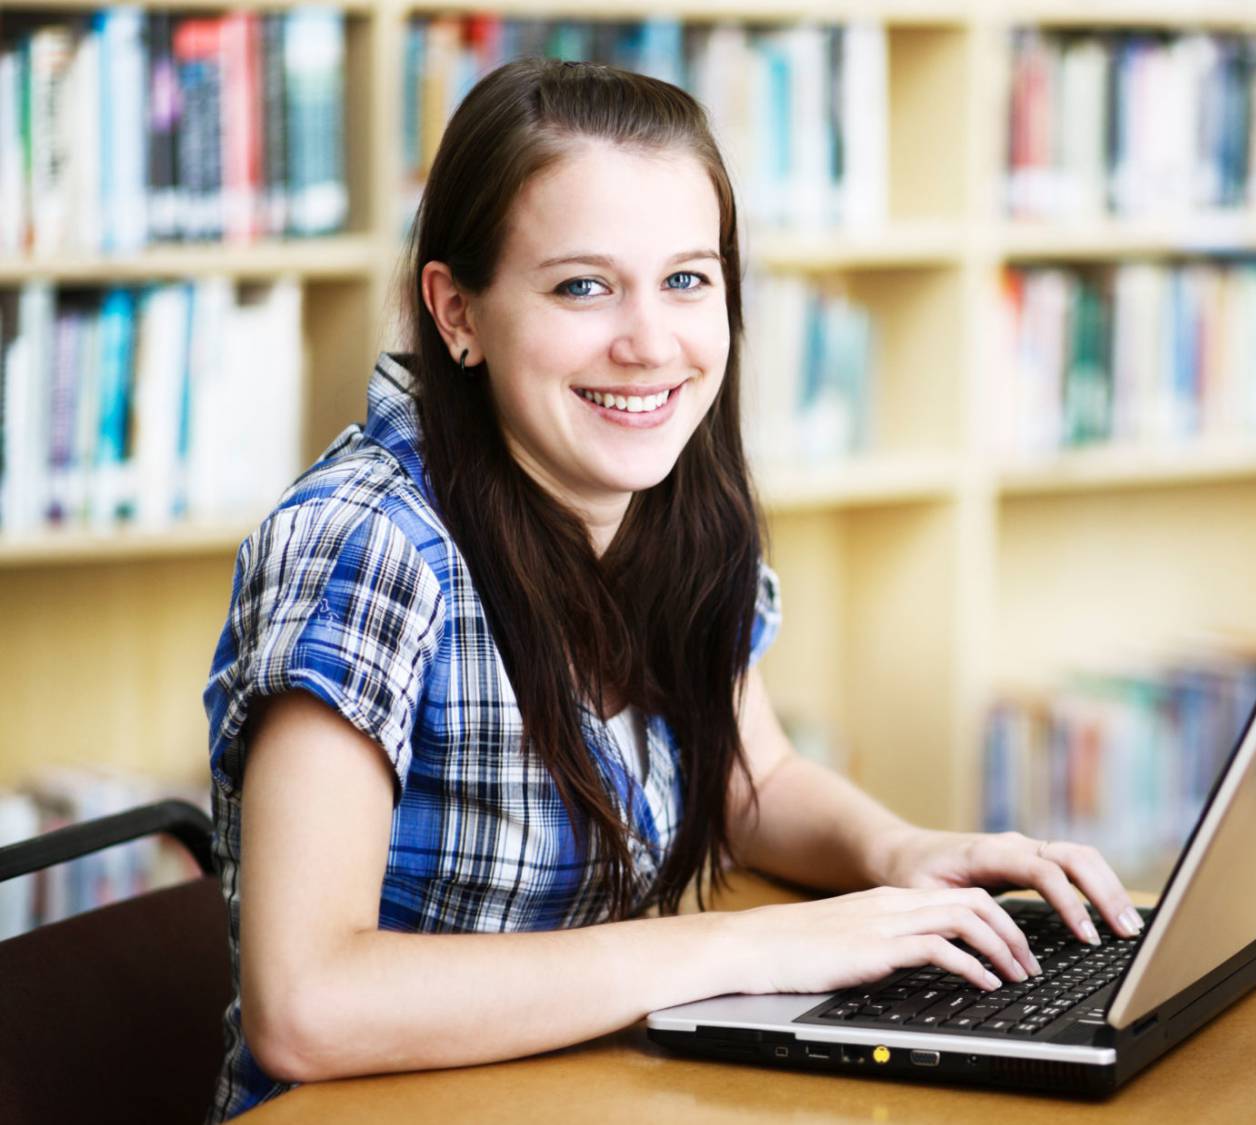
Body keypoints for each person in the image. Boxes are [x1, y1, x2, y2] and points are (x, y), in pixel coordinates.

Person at [201, 58, 1140, 1122]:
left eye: (687, 279)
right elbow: (305, 1004)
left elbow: (752, 779)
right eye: (582, 286)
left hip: (578, 1087)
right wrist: (746, 945)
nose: (649, 344)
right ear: (455, 310)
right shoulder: (364, 544)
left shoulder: (655, 500)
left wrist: (902, 856)